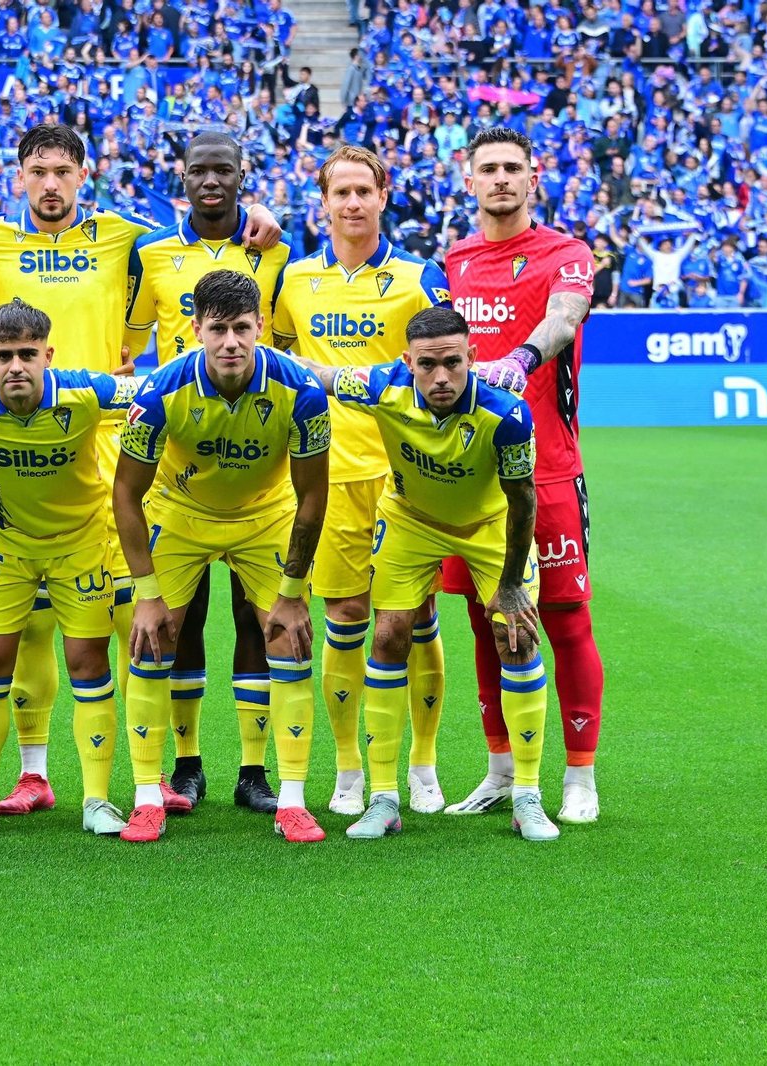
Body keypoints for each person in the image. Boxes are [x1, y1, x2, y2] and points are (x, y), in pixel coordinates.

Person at [0, 124, 282, 817]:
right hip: (20, 449)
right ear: (19, 176)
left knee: (140, 620)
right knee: (32, 625)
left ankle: (148, 777)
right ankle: (33, 774)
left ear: (82, 174)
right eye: (36, 171)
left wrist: (257, 217)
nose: (49, 184)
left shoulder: (126, 234)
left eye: (62, 172)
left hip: (113, 449)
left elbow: (197, 225)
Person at [297, 306, 559, 842]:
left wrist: (510, 587)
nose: (441, 377)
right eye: (427, 365)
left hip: (489, 525)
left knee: (517, 638)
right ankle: (385, 798)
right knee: (389, 634)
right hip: (410, 521)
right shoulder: (380, 386)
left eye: (453, 363)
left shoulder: (507, 414)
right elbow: (316, 373)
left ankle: (528, 795)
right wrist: (253, 352)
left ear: (473, 357)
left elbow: (523, 500)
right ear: (407, 362)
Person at [113, 269, 331, 844]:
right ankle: (145, 796)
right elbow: (126, 494)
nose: (231, 342)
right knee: (154, 638)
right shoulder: (158, 394)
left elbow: (312, 495)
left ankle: (291, 799)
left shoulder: (304, 392)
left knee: (288, 639)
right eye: (218, 329)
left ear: (261, 327)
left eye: (241, 328)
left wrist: (292, 593)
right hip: (180, 515)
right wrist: (146, 594)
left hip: (265, 517)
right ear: (196, 330)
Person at [270, 144, 452, 817]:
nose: (351, 203)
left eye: (362, 191)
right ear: (323, 201)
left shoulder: (417, 276)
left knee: (415, 618)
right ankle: (348, 768)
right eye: (339, 192)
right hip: (329, 475)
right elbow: (282, 353)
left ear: (383, 195)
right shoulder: (294, 280)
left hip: (405, 477)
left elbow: (445, 363)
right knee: (345, 617)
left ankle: (423, 763)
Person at [123, 131, 290, 813]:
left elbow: (288, 338)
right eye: (200, 171)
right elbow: (133, 342)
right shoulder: (152, 252)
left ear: (243, 175)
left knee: (257, 617)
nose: (212, 180)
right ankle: (186, 763)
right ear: (182, 178)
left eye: (224, 169)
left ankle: (254, 770)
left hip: (258, 458)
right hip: (180, 460)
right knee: (179, 619)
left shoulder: (275, 249)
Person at [0, 300, 144, 837]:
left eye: (28, 354)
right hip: (6, 549)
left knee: (87, 662)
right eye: (3, 356)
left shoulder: (86, 393)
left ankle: (96, 800)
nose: (16, 366)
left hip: (80, 547)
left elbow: (156, 392)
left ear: (48, 354)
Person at [444, 126, 604, 824]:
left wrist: (520, 358)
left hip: (547, 471)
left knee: (564, 620)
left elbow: (565, 319)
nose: (501, 178)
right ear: (468, 178)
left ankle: (579, 777)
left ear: (533, 177)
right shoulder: (454, 261)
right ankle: (501, 768)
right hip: (469, 478)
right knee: (487, 622)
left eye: (513, 168)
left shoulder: (566, 254)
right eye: (490, 169)